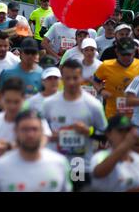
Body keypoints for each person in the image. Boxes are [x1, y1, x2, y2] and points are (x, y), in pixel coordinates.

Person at [42, 59, 108, 191]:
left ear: (81, 78)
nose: (71, 82)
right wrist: (50, 136)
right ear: (62, 79)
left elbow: (106, 135)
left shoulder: (93, 105)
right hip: (55, 163)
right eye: (67, 78)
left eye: (75, 78)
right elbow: (39, 132)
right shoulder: (49, 104)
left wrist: (88, 131)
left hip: (79, 163)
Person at [0, 110, 72, 192]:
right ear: (16, 131)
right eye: (25, 130)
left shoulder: (59, 162)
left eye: (34, 129)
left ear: (42, 131)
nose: (30, 135)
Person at [0, 77, 52, 168]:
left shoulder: (36, 121)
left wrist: (8, 147)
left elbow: (40, 145)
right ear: (1, 98)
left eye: (16, 102)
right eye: (8, 101)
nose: (12, 106)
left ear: (24, 99)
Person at [90, 115, 139, 192]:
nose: (126, 135)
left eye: (128, 130)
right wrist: (125, 146)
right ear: (108, 134)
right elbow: (98, 172)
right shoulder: (100, 156)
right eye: (120, 131)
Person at [94, 37, 139, 119]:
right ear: (117, 52)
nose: (126, 58)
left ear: (134, 52)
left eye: (129, 54)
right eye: (123, 54)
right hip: (113, 115)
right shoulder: (106, 66)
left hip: (136, 116)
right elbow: (95, 81)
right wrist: (101, 90)